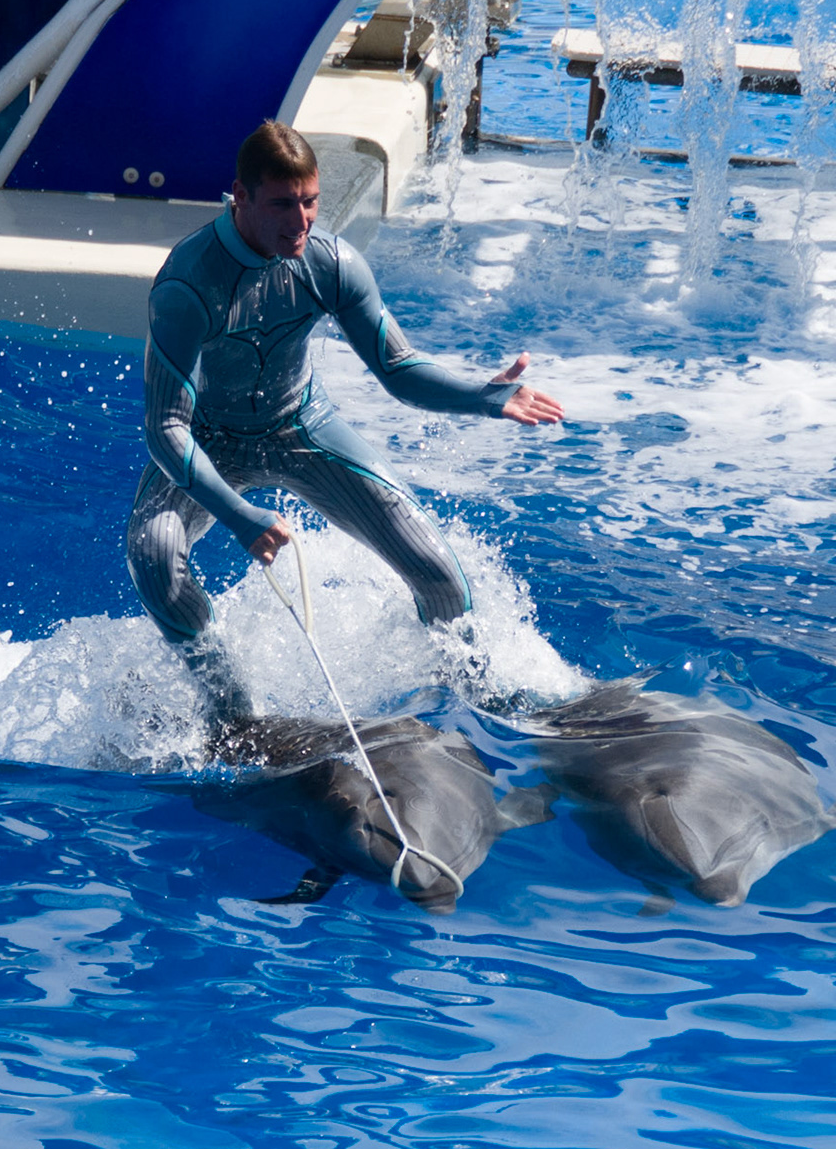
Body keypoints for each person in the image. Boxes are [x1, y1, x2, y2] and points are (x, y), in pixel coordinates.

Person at [126, 120, 564, 710]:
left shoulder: (331, 263)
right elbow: (165, 428)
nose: (301, 220)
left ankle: (479, 703)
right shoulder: (189, 283)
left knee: (437, 572)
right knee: (154, 558)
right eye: (283, 204)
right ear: (241, 196)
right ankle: (231, 711)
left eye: (310, 202)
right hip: (209, 440)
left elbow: (398, 368)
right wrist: (239, 516)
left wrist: (483, 397)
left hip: (300, 427)